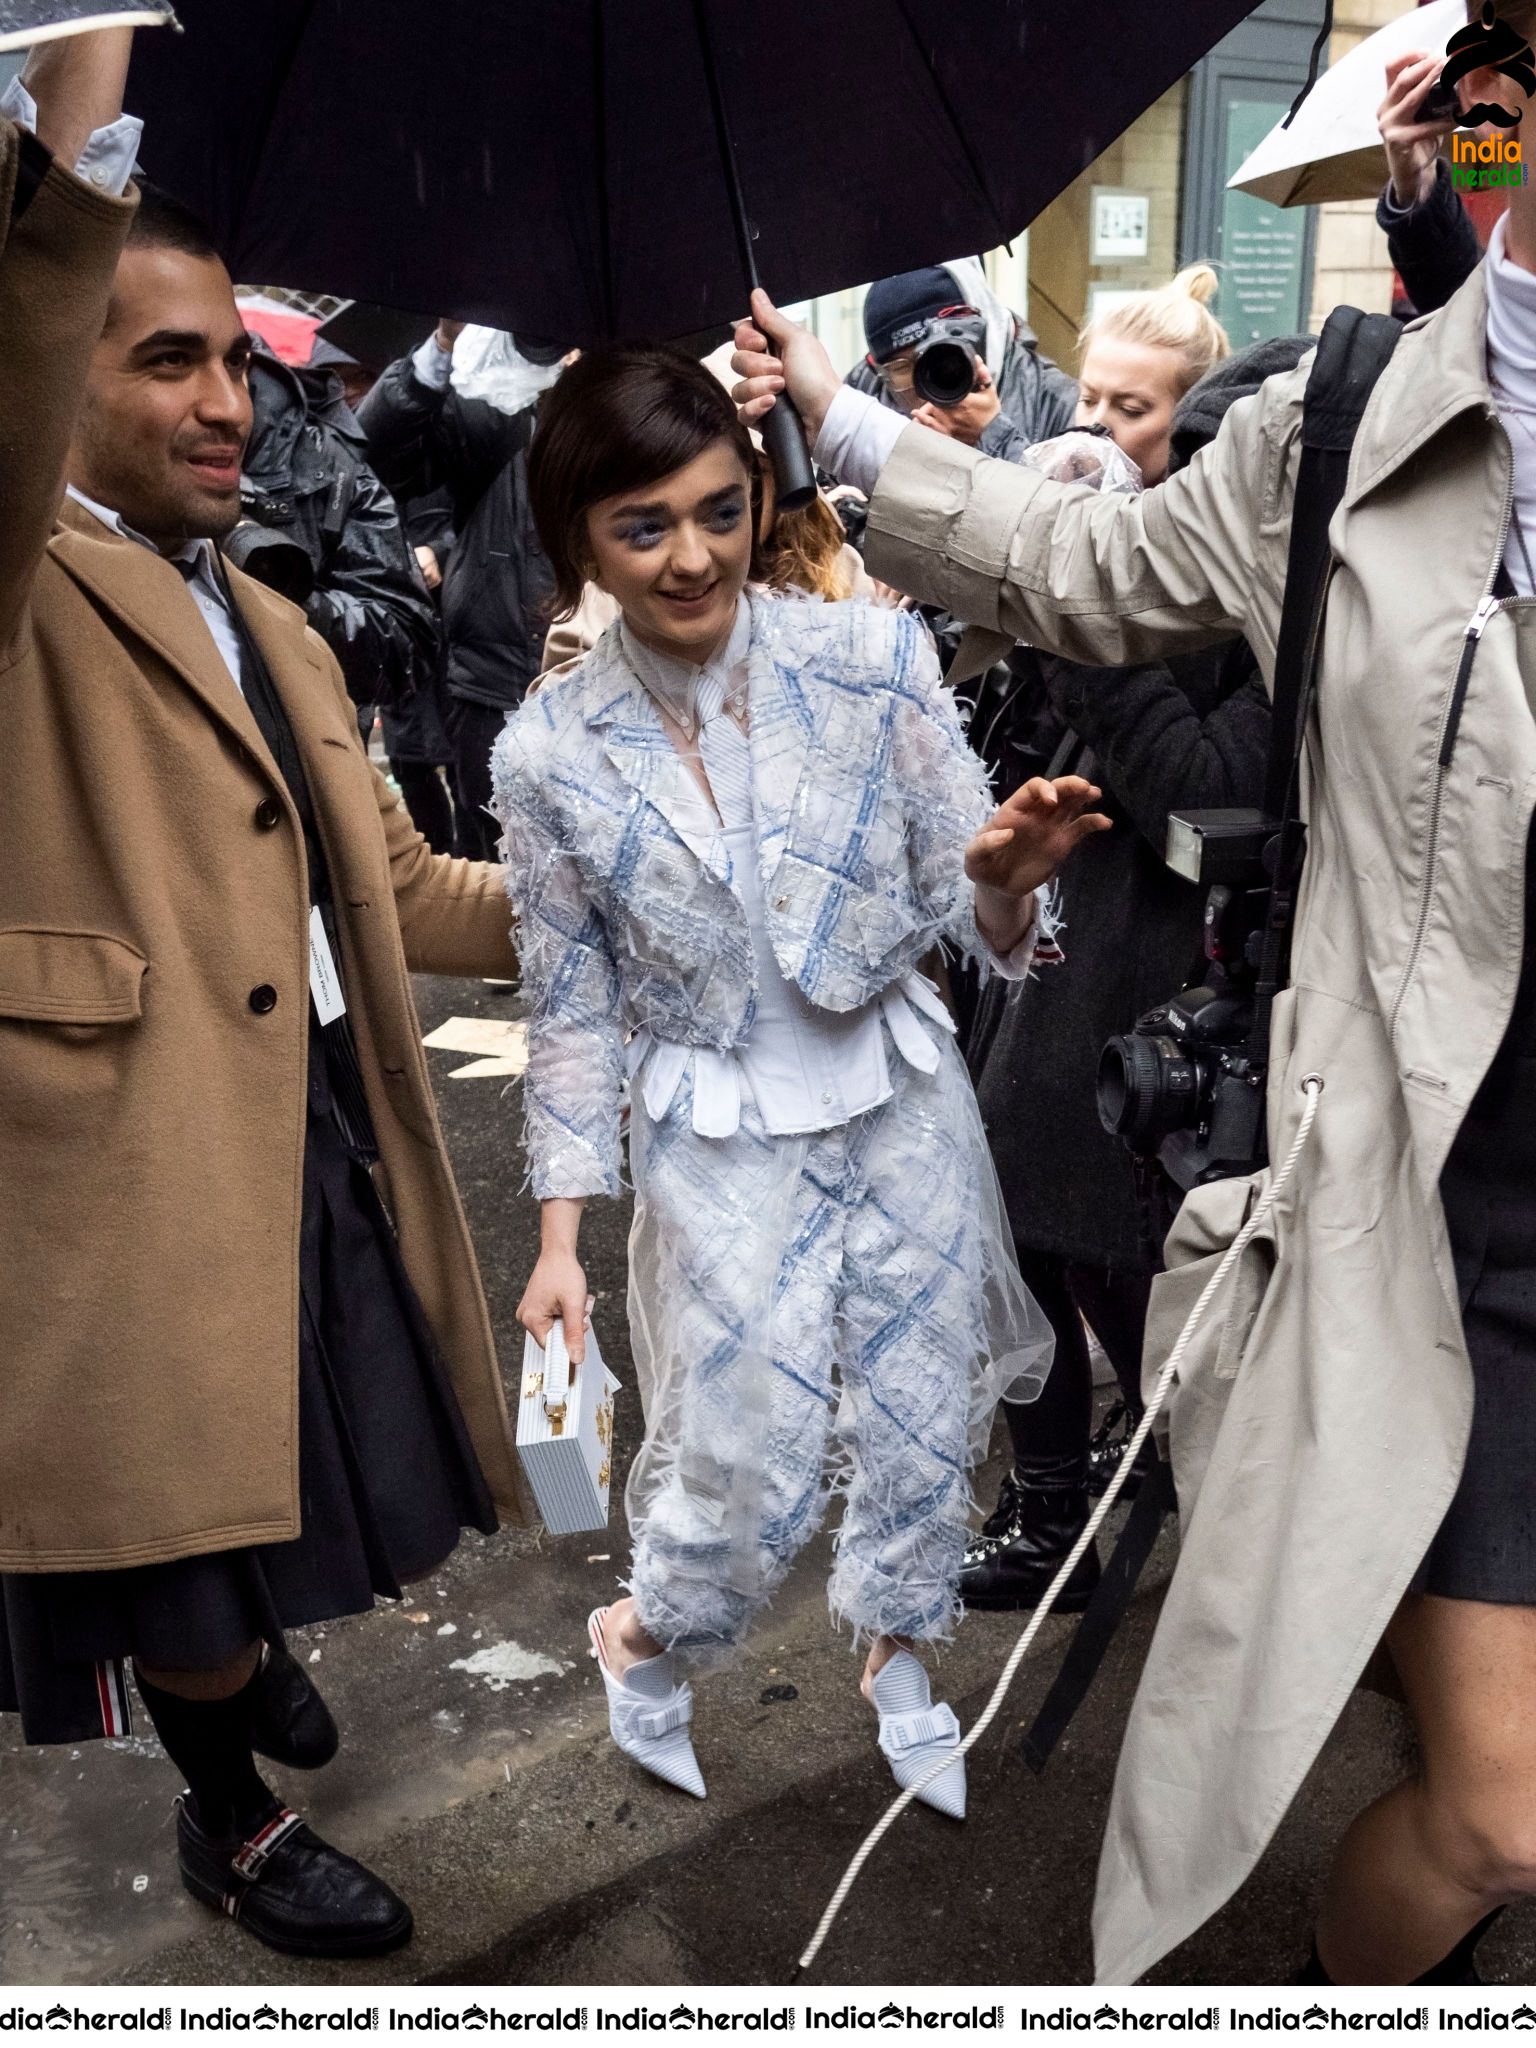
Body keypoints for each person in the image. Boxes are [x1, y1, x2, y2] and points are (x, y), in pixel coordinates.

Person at [733, 0, 1536, 1986]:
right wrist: (841, 421)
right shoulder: (1353, 409)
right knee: (1499, 1806)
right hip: (1444, 1224)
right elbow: (1084, 569)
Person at [0, 30, 524, 1960]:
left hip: (306, 1124)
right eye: (165, 359)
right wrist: (71, 122)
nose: (228, 401)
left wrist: (622, 883)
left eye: (235, 356)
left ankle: (239, 1670)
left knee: (288, 1469)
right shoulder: (21, 576)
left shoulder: (271, 610)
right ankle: (229, 1819)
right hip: (112, 1162)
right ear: (53, 369)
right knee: (182, 1543)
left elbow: (394, 885)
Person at [490, 345, 1103, 1820]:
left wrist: (1006, 886)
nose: (691, 554)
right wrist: (563, 1239)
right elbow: (569, 1009)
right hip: (715, 1132)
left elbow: (980, 910)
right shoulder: (548, 755)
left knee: (913, 1409)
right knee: (742, 1451)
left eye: (718, 508)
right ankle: (648, 1636)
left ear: (759, 491)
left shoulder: (870, 658)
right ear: (581, 539)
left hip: (898, 1097)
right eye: (644, 527)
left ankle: (899, 1645)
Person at [963, 330, 1295, 1622]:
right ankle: (1057, 1501)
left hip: (1200, 977)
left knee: (1138, 1252)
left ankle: (1126, 1470)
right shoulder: (1144, 545)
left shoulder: (1301, 602)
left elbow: (1203, 777)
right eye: (1095, 399)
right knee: (1029, 1224)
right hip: (1090, 945)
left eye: (1134, 409)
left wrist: (1072, 619)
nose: (1105, 426)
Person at [359, 321, 570, 858]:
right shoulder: (490, 405)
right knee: (498, 869)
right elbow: (377, 455)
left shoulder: (623, 396)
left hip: (603, 671)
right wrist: (445, 347)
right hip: (493, 688)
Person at [230, 333, 440, 724]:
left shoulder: (330, 463)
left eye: (230, 362)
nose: (214, 401)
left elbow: (405, 646)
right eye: (171, 362)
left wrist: (276, 591)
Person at [848, 259, 1077, 455]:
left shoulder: (1058, 403)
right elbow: (828, 482)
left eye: (942, 355)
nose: (926, 377)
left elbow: (1063, 504)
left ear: (985, 332)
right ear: (879, 368)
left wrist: (991, 434)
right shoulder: (865, 395)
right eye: (903, 368)